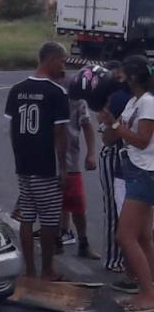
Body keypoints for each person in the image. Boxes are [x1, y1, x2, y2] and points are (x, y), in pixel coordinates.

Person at [5, 42, 70, 280]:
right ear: (51, 59)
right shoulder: (57, 93)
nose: (63, 66)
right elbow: (60, 134)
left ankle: (30, 270)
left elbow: (13, 128)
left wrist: (18, 154)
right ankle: (47, 270)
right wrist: (62, 167)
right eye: (62, 61)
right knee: (50, 219)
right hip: (46, 165)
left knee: (27, 217)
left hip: (24, 163)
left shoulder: (17, 89)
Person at [98, 56, 154, 312]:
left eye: (122, 73)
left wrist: (117, 125)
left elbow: (142, 140)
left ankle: (147, 294)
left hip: (145, 173)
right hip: (135, 170)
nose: (118, 77)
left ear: (132, 76)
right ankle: (149, 288)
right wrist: (109, 123)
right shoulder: (134, 102)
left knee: (126, 236)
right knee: (142, 236)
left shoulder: (148, 103)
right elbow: (112, 137)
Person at [96, 62, 135, 289]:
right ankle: (113, 258)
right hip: (114, 154)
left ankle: (123, 258)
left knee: (125, 212)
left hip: (124, 155)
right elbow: (107, 136)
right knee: (113, 207)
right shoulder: (119, 98)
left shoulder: (131, 99)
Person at [58, 94, 100, 259]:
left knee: (77, 204)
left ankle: (83, 243)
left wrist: (90, 153)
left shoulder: (77, 99)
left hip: (70, 161)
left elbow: (88, 127)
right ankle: (61, 235)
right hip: (48, 160)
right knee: (55, 202)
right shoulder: (44, 94)